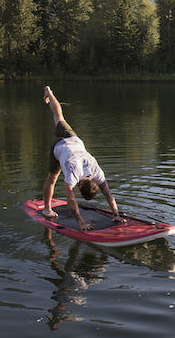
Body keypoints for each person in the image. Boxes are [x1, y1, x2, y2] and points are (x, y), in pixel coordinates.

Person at [41, 85, 125, 230]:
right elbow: (71, 201)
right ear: (80, 185)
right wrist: (81, 224)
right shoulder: (74, 177)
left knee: (59, 117)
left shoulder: (96, 172)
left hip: (74, 141)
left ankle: (50, 93)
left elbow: (107, 193)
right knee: (52, 179)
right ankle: (47, 209)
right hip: (59, 147)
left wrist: (116, 214)